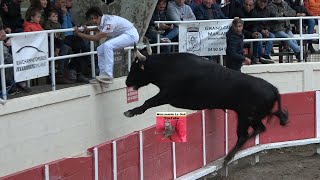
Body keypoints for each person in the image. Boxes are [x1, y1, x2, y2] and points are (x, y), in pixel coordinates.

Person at [74, 6, 139, 84]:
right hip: (124, 34)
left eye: (95, 18)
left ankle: (108, 75)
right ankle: (103, 75)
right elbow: (99, 29)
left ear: (100, 16)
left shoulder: (109, 22)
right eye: (91, 19)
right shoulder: (103, 20)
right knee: (100, 49)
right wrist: (88, 29)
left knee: (108, 45)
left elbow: (96, 38)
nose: (94, 20)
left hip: (131, 35)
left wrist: (79, 34)